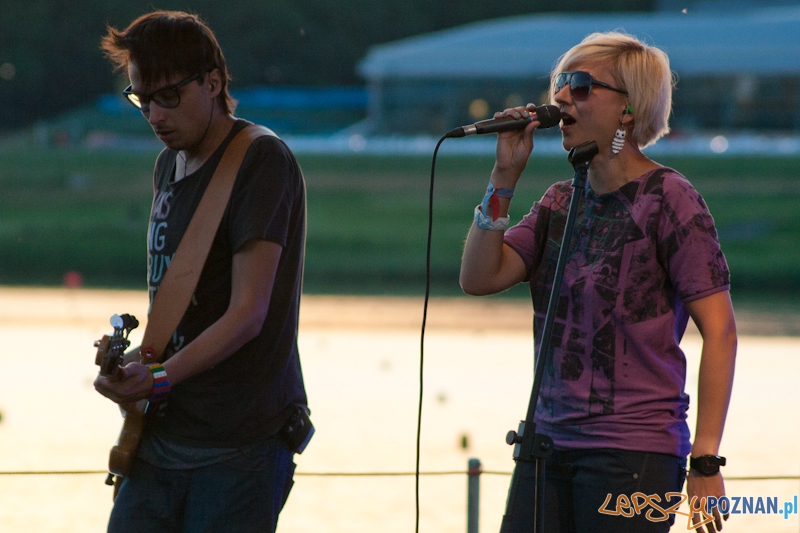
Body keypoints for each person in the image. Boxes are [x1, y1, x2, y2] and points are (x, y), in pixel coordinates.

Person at [460, 31, 736, 533]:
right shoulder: (559, 202)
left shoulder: (670, 198)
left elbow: (720, 331)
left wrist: (706, 459)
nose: (561, 97)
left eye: (580, 85)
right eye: (560, 84)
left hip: (633, 457)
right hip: (545, 447)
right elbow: (479, 277)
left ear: (627, 111)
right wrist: (503, 178)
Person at [94, 10, 309, 532]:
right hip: (160, 435)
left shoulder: (262, 159)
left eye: (167, 96)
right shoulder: (168, 165)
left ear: (212, 82)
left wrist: (160, 377)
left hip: (238, 447)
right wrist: (133, 370)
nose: (154, 115)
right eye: (141, 99)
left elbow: (248, 314)